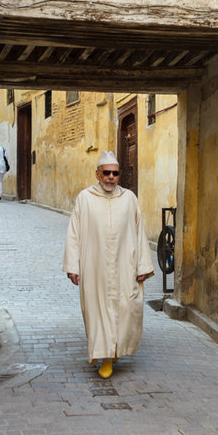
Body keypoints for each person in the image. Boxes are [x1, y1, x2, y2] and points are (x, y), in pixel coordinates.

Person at [63, 151, 154, 379]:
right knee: (98, 311)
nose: (111, 177)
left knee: (126, 308)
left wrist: (143, 266)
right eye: (106, 173)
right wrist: (73, 266)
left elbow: (139, 232)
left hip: (125, 266)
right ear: (98, 174)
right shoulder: (85, 198)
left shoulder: (129, 199)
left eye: (115, 173)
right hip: (95, 269)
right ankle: (105, 357)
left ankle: (114, 350)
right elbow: (74, 234)